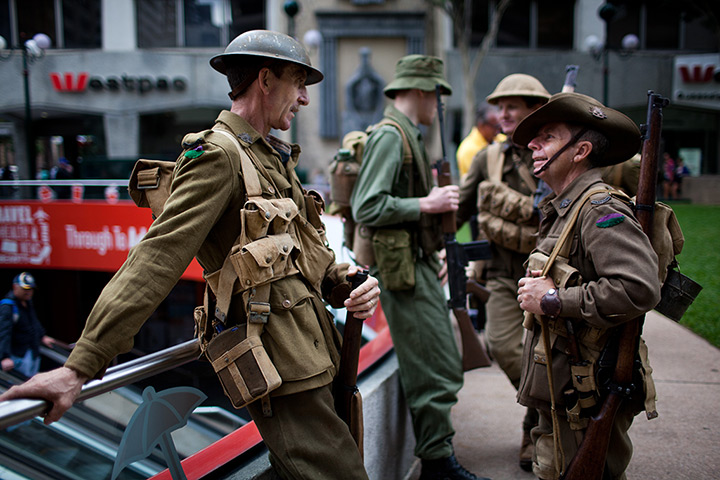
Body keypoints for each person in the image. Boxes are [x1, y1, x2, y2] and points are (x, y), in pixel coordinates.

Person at [0, 30, 380, 480]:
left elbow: (306, 249)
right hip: (281, 369)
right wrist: (80, 366)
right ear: (264, 79)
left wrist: (346, 283)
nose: (304, 99)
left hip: (317, 354)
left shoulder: (272, 158)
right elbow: (155, 260)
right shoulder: (216, 156)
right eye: (298, 83)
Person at [351, 54, 489, 480]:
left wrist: (439, 245)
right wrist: (427, 204)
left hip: (419, 261)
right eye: (436, 94)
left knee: (441, 361)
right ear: (419, 90)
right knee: (435, 365)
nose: (437, 104)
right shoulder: (392, 136)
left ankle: (438, 458)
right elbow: (366, 205)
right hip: (403, 271)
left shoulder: (408, 133)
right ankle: (436, 463)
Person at [513, 92, 661, 479]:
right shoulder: (566, 207)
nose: (532, 144)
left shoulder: (598, 208)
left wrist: (552, 299)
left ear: (579, 150)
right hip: (566, 390)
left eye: (547, 136)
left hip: (586, 392)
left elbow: (638, 288)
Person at [456, 73, 550, 471]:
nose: (504, 112)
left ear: (536, 110)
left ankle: (537, 428)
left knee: (551, 356)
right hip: (501, 271)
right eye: (500, 105)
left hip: (552, 273)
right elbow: (460, 207)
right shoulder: (488, 157)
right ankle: (546, 415)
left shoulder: (556, 151)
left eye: (514, 105)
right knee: (504, 346)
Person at [0, 272, 55, 378]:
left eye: (30, 289)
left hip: (33, 351)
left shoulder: (27, 302)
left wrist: (42, 336)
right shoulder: (8, 306)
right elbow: (3, 333)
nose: (28, 292)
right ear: (15, 287)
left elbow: (34, 322)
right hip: (19, 354)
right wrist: (4, 357)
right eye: (25, 289)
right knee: (22, 386)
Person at [456, 102, 505, 179]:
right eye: (495, 126)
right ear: (481, 125)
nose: (498, 131)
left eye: (499, 126)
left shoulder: (500, 139)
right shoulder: (468, 149)